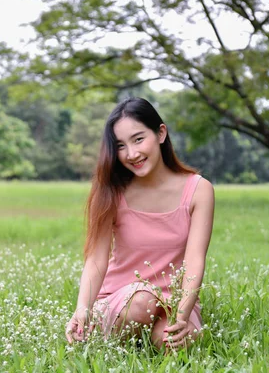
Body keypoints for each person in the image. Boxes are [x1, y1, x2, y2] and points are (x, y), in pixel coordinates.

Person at [65, 97, 215, 350]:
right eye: (121, 146)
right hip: (122, 298)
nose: (131, 154)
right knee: (142, 302)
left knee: (172, 343)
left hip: (174, 300)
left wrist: (181, 316)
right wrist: (83, 308)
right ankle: (115, 340)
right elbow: (96, 259)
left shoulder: (199, 190)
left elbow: (194, 260)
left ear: (161, 133)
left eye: (138, 139)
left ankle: (139, 341)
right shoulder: (110, 190)